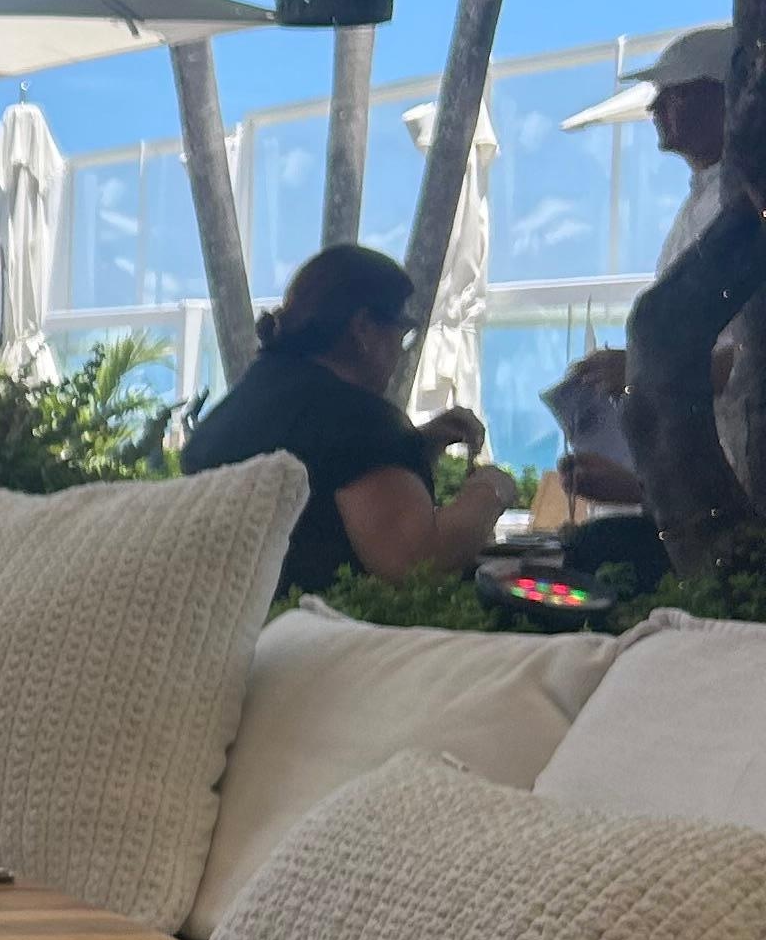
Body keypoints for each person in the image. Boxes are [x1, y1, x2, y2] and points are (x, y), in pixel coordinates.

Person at [181, 242, 515, 598]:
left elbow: (324, 482)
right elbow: (416, 560)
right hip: (318, 625)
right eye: (402, 332)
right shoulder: (361, 422)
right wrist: (490, 490)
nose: (401, 352)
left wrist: (417, 446)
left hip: (229, 616)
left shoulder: (245, 402)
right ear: (364, 329)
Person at [549, 29, 734, 512]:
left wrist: (639, 369)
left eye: (675, 94)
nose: (654, 107)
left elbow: (747, 361)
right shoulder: (700, 203)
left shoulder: (742, 209)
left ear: (727, 97)